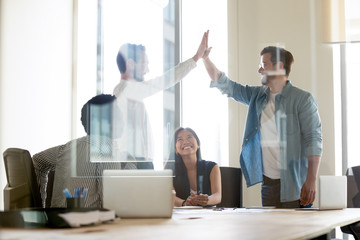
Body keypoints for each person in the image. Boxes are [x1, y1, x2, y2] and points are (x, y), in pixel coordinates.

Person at [200, 31, 322, 208]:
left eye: (264, 64)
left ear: (278, 66)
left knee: (295, 234)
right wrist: (205, 59)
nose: (259, 69)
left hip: (295, 185)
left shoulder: (302, 99)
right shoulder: (257, 96)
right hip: (268, 185)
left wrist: (311, 181)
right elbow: (227, 86)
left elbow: (314, 140)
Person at [113, 32, 209, 162]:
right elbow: (165, 80)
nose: (147, 70)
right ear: (130, 64)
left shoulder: (128, 93)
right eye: (144, 64)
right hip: (135, 164)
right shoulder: (127, 91)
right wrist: (196, 57)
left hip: (138, 162)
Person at [33, 94, 136, 208]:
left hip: (57, 221)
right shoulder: (108, 150)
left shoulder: (68, 147)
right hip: (92, 223)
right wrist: (131, 165)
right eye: (118, 114)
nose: (123, 119)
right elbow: (115, 203)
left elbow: (38, 161)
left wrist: (39, 209)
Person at [166, 127, 221, 207]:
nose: (186, 142)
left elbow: (217, 196)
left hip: (208, 215)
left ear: (198, 144)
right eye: (180, 139)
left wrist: (206, 200)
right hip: (181, 216)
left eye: (189, 137)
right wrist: (185, 203)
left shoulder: (212, 167)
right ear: (175, 149)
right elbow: (170, 197)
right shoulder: (170, 171)